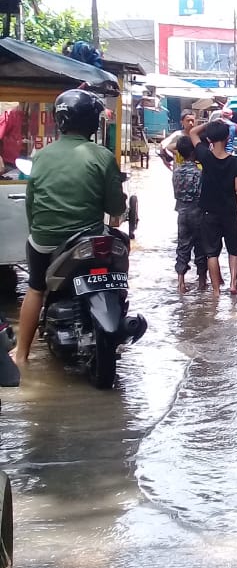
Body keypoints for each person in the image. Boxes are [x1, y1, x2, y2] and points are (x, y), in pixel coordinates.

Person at [14, 89, 126, 368]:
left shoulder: (41, 155)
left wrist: (39, 231)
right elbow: (115, 207)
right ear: (92, 121)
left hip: (46, 239)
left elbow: (32, 203)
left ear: (60, 120)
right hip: (88, 239)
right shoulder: (102, 155)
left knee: (36, 288)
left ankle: (20, 355)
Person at [188, 117, 237, 297]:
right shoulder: (236, 162)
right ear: (228, 138)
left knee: (212, 253)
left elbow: (192, 132)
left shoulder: (205, 156)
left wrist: (211, 123)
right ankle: (233, 284)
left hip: (209, 212)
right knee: (233, 249)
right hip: (229, 212)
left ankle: (215, 291)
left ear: (210, 140)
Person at [171, 135, 207, 293]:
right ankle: (201, 282)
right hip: (197, 212)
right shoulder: (198, 173)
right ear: (193, 152)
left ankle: (181, 282)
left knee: (182, 246)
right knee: (200, 247)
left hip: (181, 212)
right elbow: (201, 194)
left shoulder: (176, 171)